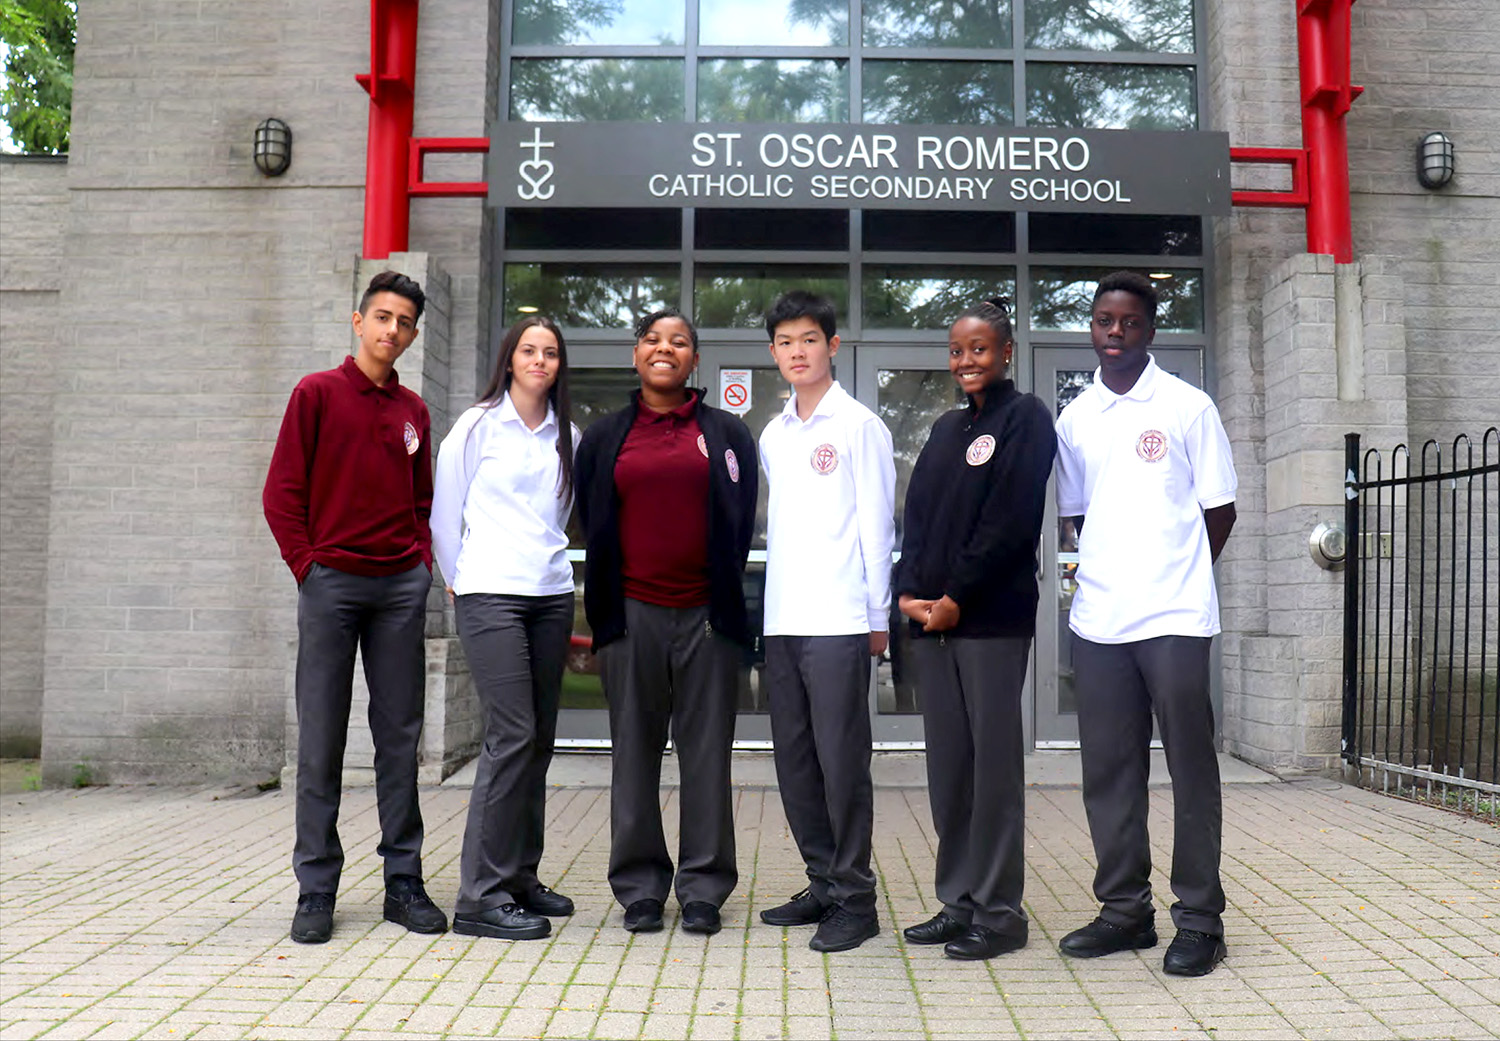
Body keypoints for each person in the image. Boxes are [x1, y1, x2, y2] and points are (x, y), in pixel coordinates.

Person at [1054, 271, 1238, 977]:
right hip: (1100, 620)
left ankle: (1199, 917)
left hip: (1174, 617)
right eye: (1105, 320)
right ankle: (1124, 911)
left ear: (1151, 330)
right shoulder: (1076, 419)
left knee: (1191, 767)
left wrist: (1176, 569)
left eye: (1130, 322)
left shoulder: (1189, 407)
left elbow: (1218, 511)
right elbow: (1077, 516)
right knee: (1108, 771)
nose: (1116, 333)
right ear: (1092, 328)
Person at [262, 270, 447, 944]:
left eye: (403, 321)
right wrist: (309, 569)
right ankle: (316, 886)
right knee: (322, 737)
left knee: (400, 736)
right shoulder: (316, 394)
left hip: (399, 585)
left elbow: (423, 499)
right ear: (358, 319)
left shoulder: (414, 412)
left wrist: (420, 561)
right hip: (333, 584)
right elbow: (282, 492)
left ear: (413, 333)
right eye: (382, 317)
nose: (391, 329)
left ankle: (404, 880)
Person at [574, 307, 758, 936]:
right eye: (653, 339)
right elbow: (591, 522)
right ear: (636, 355)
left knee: (707, 756)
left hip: (707, 619)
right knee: (634, 755)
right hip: (631, 617)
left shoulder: (728, 434)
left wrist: (719, 602)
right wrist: (607, 616)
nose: (665, 348)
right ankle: (641, 887)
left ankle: (703, 888)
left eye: (679, 341)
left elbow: (739, 523)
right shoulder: (604, 438)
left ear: (693, 360)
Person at [895, 300, 1055, 961]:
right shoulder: (944, 429)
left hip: (988, 622)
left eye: (980, 348)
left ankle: (999, 912)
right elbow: (918, 516)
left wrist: (957, 595)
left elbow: (1009, 520)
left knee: (992, 770)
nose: (966, 360)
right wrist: (906, 592)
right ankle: (957, 901)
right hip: (932, 624)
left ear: (1007, 351)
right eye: (958, 349)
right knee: (949, 770)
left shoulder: (1027, 420)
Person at [430, 316, 581, 942]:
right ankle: (479, 896)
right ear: (510, 359)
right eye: (529, 350)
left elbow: (562, 517)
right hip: (489, 593)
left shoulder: (567, 435)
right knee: (511, 735)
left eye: (550, 352)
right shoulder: (476, 425)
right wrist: (459, 580)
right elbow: (444, 512)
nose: (539, 360)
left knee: (538, 739)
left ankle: (520, 875)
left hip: (549, 595)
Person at [756, 291, 895, 953]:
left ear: (832, 346)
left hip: (840, 618)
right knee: (796, 761)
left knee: (843, 763)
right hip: (782, 618)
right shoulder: (772, 435)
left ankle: (857, 898)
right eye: (785, 342)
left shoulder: (859, 425)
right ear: (775, 351)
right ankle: (822, 881)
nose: (797, 351)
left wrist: (876, 618)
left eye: (809, 339)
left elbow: (875, 525)